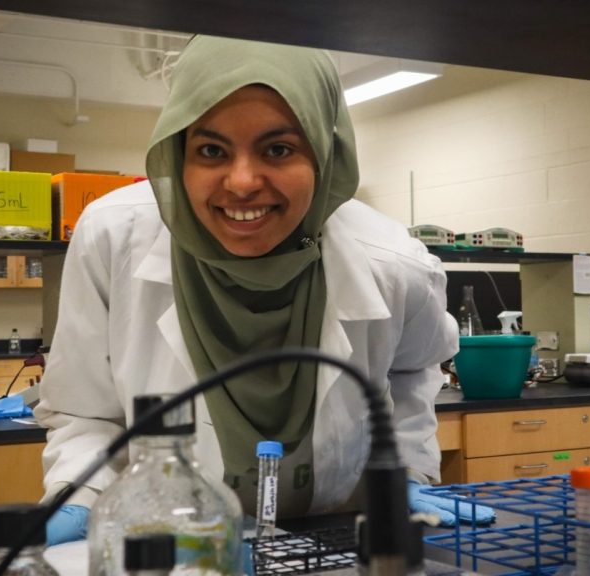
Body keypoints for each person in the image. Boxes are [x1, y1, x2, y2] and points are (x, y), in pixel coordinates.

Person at [37, 35, 491, 546]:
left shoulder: (394, 264)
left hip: (328, 538)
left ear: (324, 154)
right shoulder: (112, 237)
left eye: (278, 149)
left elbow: (412, 372)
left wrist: (406, 470)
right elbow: (82, 410)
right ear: (176, 151)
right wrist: (81, 494)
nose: (243, 182)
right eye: (211, 150)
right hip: (166, 546)